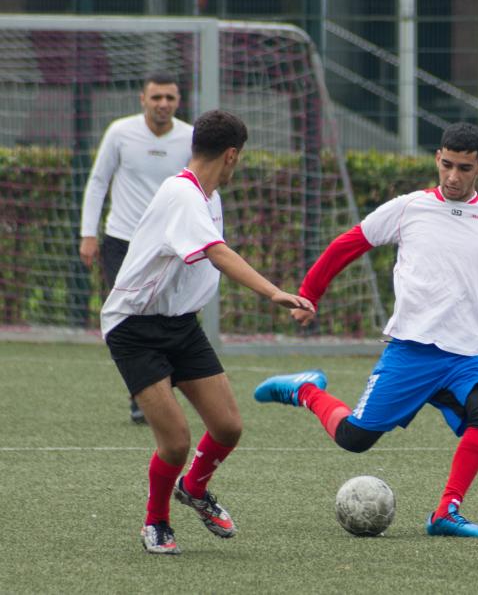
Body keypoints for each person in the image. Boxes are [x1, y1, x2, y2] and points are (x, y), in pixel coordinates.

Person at [253, 122, 478, 538]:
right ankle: (306, 390)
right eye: (447, 165)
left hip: (465, 358)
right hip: (411, 352)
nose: (453, 177)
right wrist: (311, 293)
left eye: (464, 168)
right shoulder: (408, 208)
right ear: (437, 158)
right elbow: (349, 244)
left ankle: (445, 512)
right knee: (354, 438)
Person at [101, 110, 314, 555]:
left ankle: (194, 489)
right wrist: (274, 292)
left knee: (228, 427)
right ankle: (155, 523)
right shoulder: (182, 193)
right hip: (134, 328)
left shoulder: (208, 195)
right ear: (232, 155)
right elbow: (217, 253)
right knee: (176, 442)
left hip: (180, 325)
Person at [80, 72, 193, 424]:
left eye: (169, 98)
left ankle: (159, 392)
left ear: (178, 102)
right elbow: (98, 182)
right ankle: (140, 396)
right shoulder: (120, 132)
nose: (163, 104)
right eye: (156, 97)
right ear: (142, 99)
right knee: (129, 318)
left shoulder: (190, 137)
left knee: (168, 316)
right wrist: (88, 234)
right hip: (122, 240)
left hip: (171, 244)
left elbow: (202, 189)